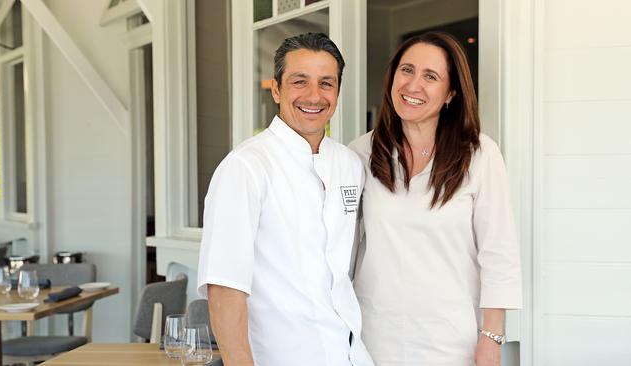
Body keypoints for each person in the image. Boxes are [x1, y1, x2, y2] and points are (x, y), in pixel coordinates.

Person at [197, 32, 374, 366]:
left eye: (326, 83)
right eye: (299, 81)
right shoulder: (246, 167)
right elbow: (224, 289)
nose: (314, 95)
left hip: (349, 355)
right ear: (276, 89)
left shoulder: (349, 164)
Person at [349, 32, 522, 366]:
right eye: (406, 70)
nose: (413, 85)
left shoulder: (480, 155)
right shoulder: (360, 154)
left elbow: (499, 252)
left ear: (451, 94)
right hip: (374, 337)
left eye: (430, 76)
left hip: (451, 341)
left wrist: (492, 337)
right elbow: (342, 248)